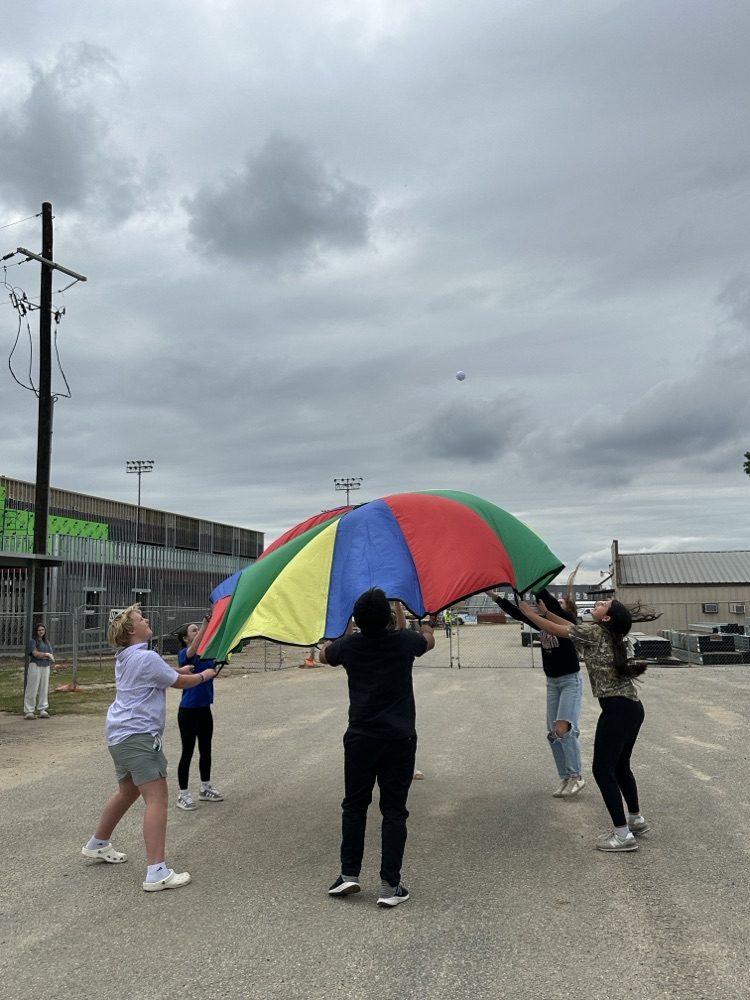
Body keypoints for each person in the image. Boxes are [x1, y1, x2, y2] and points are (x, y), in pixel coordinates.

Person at [81, 604, 216, 891]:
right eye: (142, 619)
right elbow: (180, 682)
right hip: (138, 736)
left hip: (120, 736)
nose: (147, 619)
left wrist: (178, 670)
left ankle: (97, 843)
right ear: (132, 630)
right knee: (157, 799)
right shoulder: (147, 657)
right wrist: (205, 675)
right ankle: (157, 872)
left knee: (127, 791)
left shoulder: (128, 656)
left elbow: (161, 676)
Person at [319, 589, 435, 907]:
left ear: (357, 619)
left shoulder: (350, 646)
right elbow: (427, 638)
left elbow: (324, 654)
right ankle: (389, 885)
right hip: (399, 739)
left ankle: (348, 875)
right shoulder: (404, 642)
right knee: (394, 811)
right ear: (388, 618)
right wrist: (416, 614)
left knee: (354, 806)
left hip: (360, 738)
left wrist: (342, 626)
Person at [519, 597, 659, 852]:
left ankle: (622, 835)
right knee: (620, 767)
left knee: (602, 770)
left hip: (617, 710)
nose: (598, 603)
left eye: (603, 604)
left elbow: (553, 630)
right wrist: (548, 612)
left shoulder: (595, 632)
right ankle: (635, 819)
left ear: (606, 618)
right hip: (632, 708)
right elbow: (565, 626)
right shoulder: (607, 633)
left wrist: (529, 614)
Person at [487, 589, 584, 797]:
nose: (556, 603)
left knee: (564, 728)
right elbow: (517, 613)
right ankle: (565, 777)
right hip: (552, 682)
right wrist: (495, 596)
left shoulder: (567, 622)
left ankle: (577, 776)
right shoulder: (540, 623)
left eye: (561, 603)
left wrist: (532, 582)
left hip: (569, 681)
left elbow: (550, 603)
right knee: (552, 733)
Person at [175, 617, 223, 811]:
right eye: (194, 630)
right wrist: (205, 624)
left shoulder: (206, 655)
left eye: (198, 629)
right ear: (186, 638)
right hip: (188, 711)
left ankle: (205, 787)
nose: (198, 632)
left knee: (206, 749)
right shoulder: (185, 655)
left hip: (204, 709)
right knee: (188, 752)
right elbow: (193, 650)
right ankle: (183, 794)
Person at [24, 622, 55, 719]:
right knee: (32, 688)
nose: (41, 632)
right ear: (36, 631)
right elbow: (35, 654)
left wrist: (45, 656)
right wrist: (46, 655)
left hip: (45, 666)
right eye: (39, 630)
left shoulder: (47, 642)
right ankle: (29, 711)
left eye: (43, 630)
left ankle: (42, 709)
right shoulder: (33, 641)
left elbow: (51, 656)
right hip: (35, 666)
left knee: (44, 688)